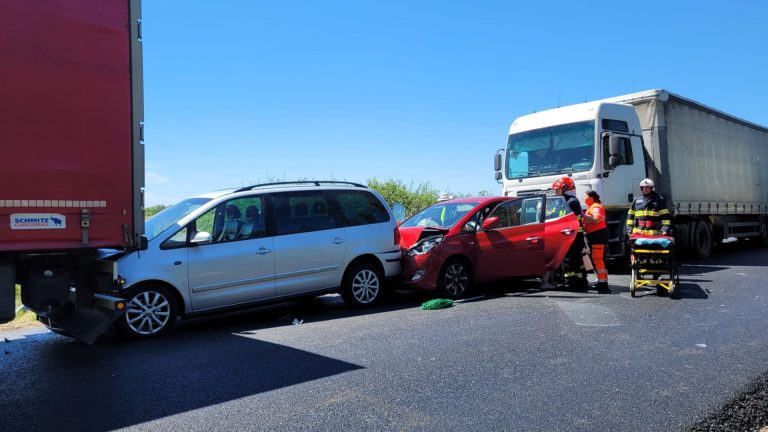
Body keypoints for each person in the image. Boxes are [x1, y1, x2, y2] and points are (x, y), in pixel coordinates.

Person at [549, 176, 588, 291]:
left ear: (564, 189)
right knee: (576, 261)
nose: (555, 192)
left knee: (569, 260)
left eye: (557, 190)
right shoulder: (566, 201)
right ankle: (580, 282)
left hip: (573, 237)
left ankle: (572, 282)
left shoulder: (571, 202)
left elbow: (565, 219)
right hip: (572, 236)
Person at [582, 190, 610, 293]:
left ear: (591, 197)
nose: (583, 198)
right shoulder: (592, 207)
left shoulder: (595, 206)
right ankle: (601, 281)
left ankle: (602, 284)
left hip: (598, 235)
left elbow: (596, 219)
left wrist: (582, 216)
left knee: (598, 259)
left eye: (585, 196)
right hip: (595, 235)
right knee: (598, 259)